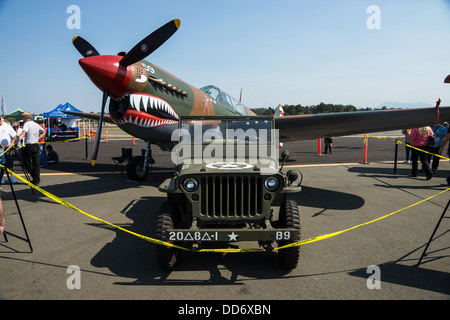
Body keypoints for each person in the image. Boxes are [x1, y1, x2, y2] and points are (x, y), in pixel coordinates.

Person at [11, 112, 45, 186]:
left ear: (26, 117)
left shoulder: (27, 124)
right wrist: (38, 138)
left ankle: (35, 178)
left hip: (29, 145)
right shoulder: (35, 124)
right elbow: (43, 131)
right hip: (35, 145)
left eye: (22, 116)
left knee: (27, 163)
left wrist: (16, 141)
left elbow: (23, 133)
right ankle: (36, 179)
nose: (21, 118)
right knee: (36, 163)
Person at [0, 117, 18, 187]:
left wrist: (12, 143)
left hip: (8, 148)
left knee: (10, 163)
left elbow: (14, 135)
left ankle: (12, 177)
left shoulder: (7, 126)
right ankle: (2, 178)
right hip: (0, 149)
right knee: (1, 164)